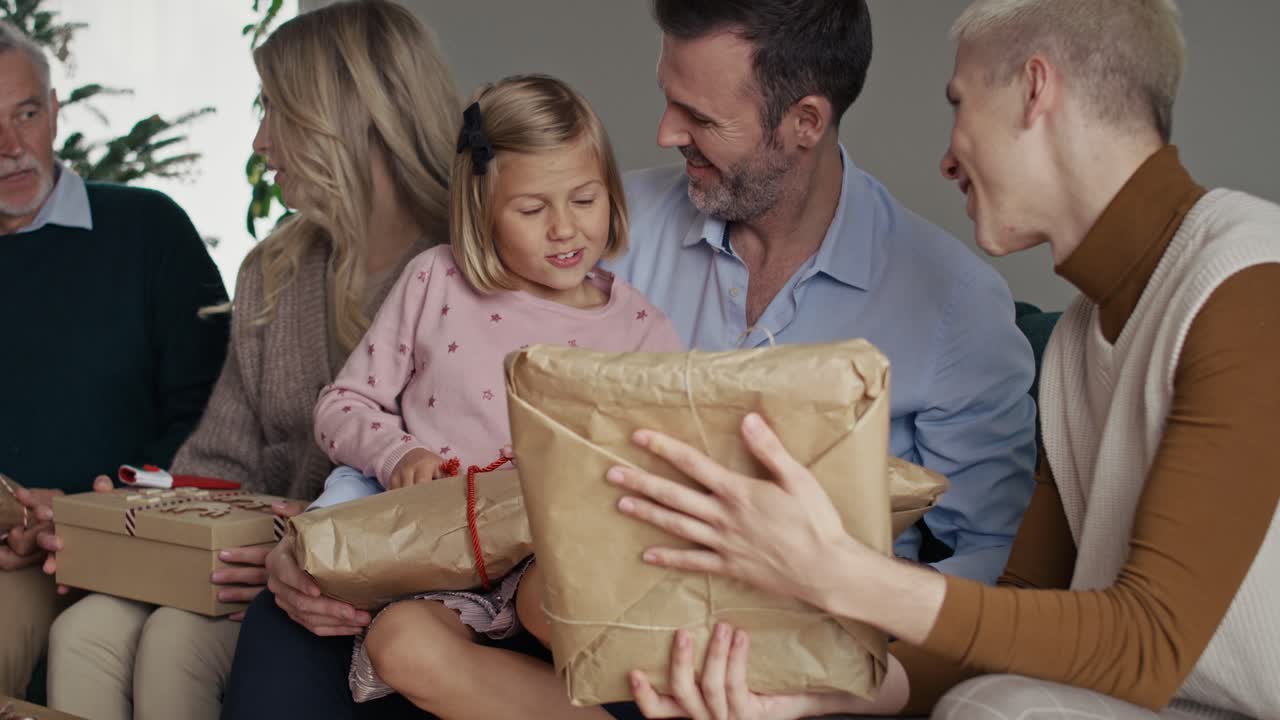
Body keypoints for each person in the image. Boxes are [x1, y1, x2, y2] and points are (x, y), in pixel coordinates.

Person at [608, 0, 1280, 718]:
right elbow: (1021, 609)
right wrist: (807, 702)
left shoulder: (1249, 278)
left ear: (1034, 90)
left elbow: (1148, 643)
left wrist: (833, 570)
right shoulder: (1084, 335)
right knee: (994, 698)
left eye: (961, 105)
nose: (947, 158)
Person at [40, 2, 460, 719]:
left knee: (175, 641)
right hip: (243, 568)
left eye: (277, 110)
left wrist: (278, 545)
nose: (262, 140)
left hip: (360, 592)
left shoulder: (464, 276)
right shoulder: (274, 270)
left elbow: (449, 490)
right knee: (81, 633)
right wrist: (138, 512)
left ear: (347, 118)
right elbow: (223, 462)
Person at [611, 0, 1037, 583]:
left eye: (701, 118)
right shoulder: (607, 228)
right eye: (668, 98)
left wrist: (874, 642)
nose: (665, 133)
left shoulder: (955, 306)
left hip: (816, 648)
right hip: (607, 606)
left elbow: (1001, 558)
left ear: (805, 122)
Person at [314, 74, 682, 716]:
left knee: (557, 596)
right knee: (397, 642)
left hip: (562, 564)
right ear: (482, 209)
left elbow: (670, 466)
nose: (565, 229)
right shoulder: (436, 282)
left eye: (586, 200)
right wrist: (397, 456)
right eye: (533, 210)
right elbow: (341, 407)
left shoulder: (642, 330)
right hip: (445, 561)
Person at [0, 20, 228, 702]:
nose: (9, 149)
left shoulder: (147, 229)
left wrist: (83, 514)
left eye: (26, 114)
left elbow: (212, 418)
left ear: (55, 111)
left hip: (127, 541)